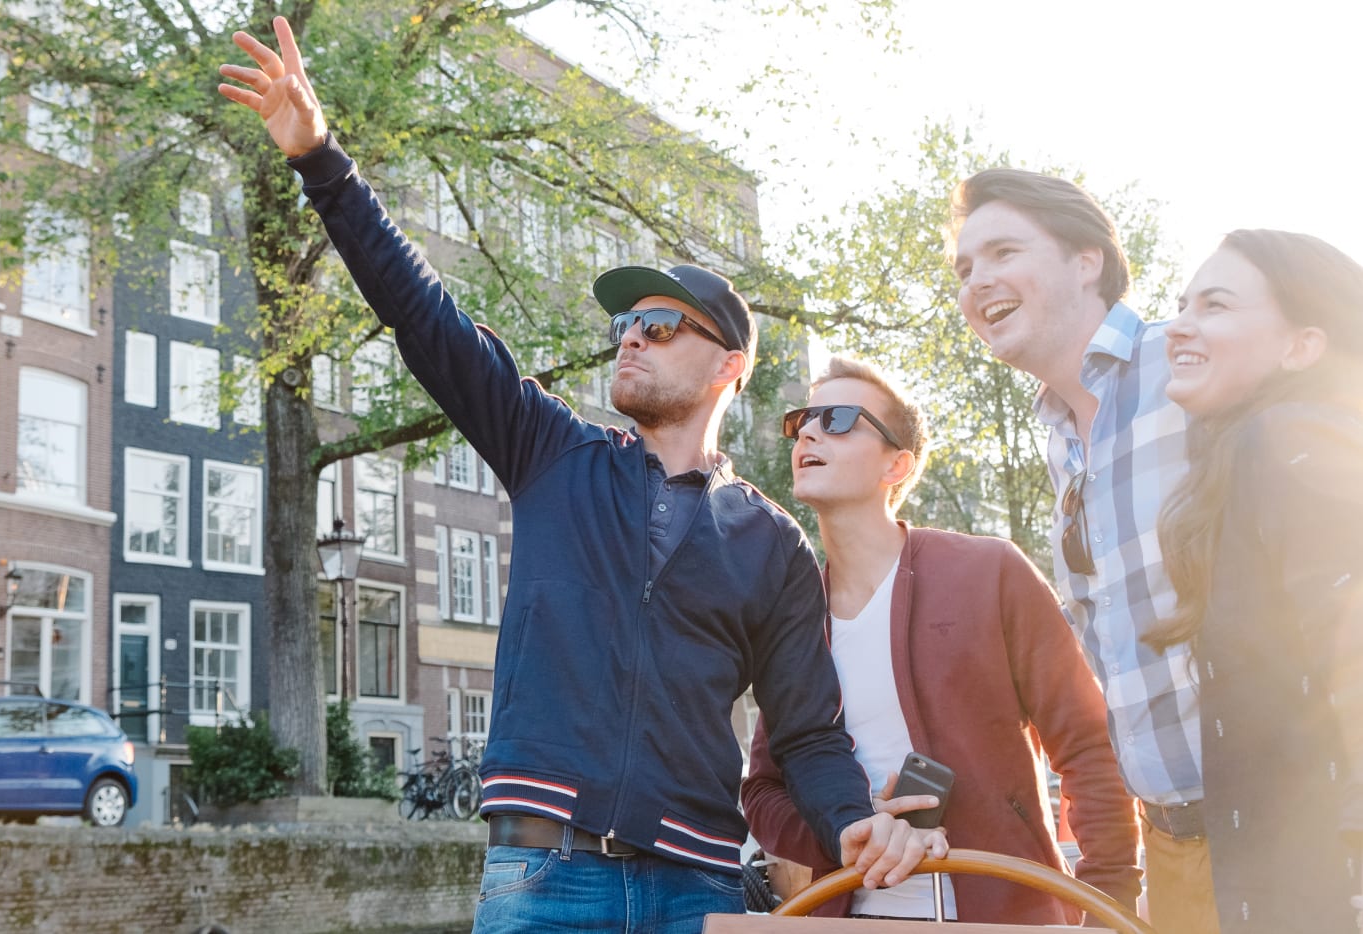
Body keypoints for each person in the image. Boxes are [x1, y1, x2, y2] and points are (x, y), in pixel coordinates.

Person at [217, 19, 947, 933]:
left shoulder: (773, 543)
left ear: (727, 366)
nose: (632, 334)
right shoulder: (551, 452)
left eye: (661, 324)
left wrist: (852, 827)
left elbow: (805, 734)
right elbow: (426, 318)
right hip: (543, 877)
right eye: (626, 324)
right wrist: (322, 161)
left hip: (701, 887)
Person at [741, 356, 1141, 924]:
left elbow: (1087, 744)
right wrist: (848, 828)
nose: (807, 429)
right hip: (850, 917)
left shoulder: (989, 571)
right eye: (803, 419)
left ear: (896, 466)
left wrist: (1107, 901)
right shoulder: (793, 613)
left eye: (838, 418)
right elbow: (764, 791)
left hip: (1004, 908)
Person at [948, 169, 1212, 931]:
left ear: (1087, 258)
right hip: (1176, 849)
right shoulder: (1067, 445)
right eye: (965, 269)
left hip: (1291, 822)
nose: (978, 282)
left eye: (1002, 251)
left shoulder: (1185, 369)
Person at [1144, 230, 1363, 932]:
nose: (1179, 324)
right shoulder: (1252, 452)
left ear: (1301, 346)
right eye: (1182, 304)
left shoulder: (1292, 439)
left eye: (1216, 305)